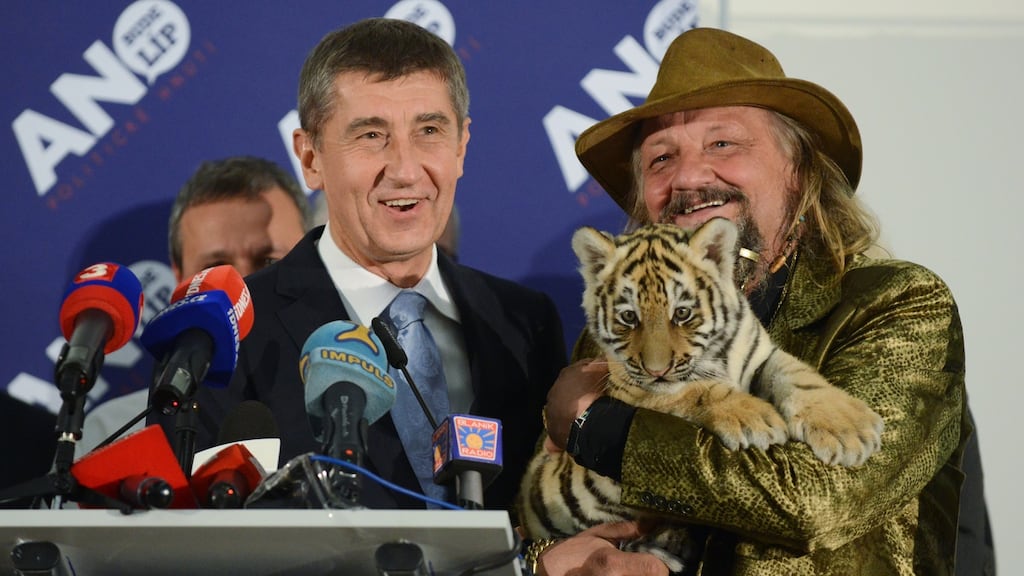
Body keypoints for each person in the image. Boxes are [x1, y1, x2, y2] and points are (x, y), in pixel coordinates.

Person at [530, 27, 984, 575]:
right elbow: (543, 513)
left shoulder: (897, 305)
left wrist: (597, 429)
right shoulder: (616, 328)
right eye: (660, 159)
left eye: (723, 144)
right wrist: (546, 561)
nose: (688, 177)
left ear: (800, 170)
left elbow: (817, 499)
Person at [180, 18, 566, 511]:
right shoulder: (225, 335)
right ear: (311, 157)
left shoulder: (526, 323)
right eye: (370, 135)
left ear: (461, 147)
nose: (405, 170)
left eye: (429, 130)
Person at [78, 156, 311, 457]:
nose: (244, 287)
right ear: (179, 280)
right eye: (216, 269)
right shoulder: (112, 434)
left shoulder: (357, 403)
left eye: (269, 263)